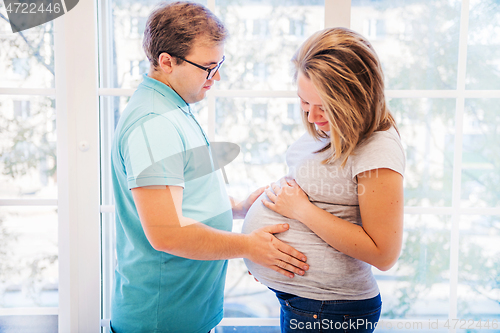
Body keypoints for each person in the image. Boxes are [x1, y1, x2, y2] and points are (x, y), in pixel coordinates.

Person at [110, 2, 309, 332]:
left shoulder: (172, 106)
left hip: (183, 314)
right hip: (162, 319)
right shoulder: (154, 123)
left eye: (219, 64)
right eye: (207, 67)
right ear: (166, 62)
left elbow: (179, 201)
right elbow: (167, 233)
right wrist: (248, 246)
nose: (215, 77)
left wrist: (237, 208)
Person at [242, 27, 405, 333]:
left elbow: (384, 253)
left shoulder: (377, 148)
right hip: (308, 303)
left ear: (356, 98)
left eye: (325, 107)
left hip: (329, 311)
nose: (313, 117)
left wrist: (300, 210)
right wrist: (268, 259)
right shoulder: (338, 132)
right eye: (305, 103)